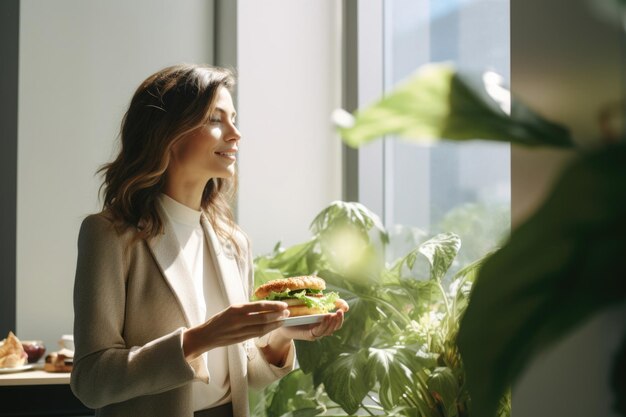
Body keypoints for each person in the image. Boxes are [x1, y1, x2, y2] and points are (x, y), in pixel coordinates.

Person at [70, 64, 349, 417]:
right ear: (167, 134)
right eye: (215, 119)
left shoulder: (233, 242)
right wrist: (201, 338)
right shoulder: (109, 235)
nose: (236, 134)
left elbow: (242, 374)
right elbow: (91, 382)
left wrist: (283, 335)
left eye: (233, 118)